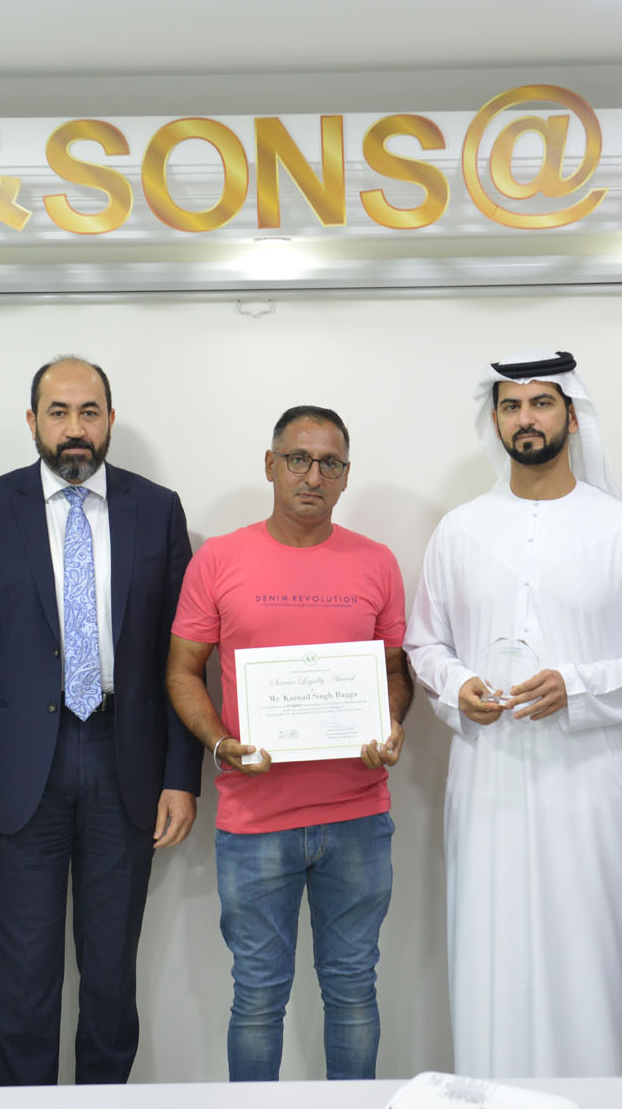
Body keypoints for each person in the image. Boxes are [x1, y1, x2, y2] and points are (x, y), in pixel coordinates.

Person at [404, 350, 622, 1077]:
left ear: (572, 415)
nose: (525, 418)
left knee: (594, 967)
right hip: (489, 790)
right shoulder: (460, 531)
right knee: (492, 961)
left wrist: (579, 687)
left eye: (541, 403)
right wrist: (456, 685)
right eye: (511, 406)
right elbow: (424, 643)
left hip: (594, 795)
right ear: (495, 420)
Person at [0, 357, 200, 1086]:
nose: (74, 428)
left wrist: (181, 776)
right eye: (58, 412)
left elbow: (183, 656)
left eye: (89, 412)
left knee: (111, 982)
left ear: (111, 420)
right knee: (24, 983)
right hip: (21, 772)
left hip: (126, 761)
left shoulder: (157, 509)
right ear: (33, 422)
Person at [165, 404, 411, 1082]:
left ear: (346, 476)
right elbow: (182, 670)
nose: (313, 475)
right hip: (253, 822)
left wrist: (391, 725)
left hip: (358, 817)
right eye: (298, 459)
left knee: (353, 992)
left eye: (330, 463)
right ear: (270, 465)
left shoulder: (377, 562)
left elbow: (395, 672)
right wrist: (221, 744)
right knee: (256, 999)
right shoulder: (219, 560)